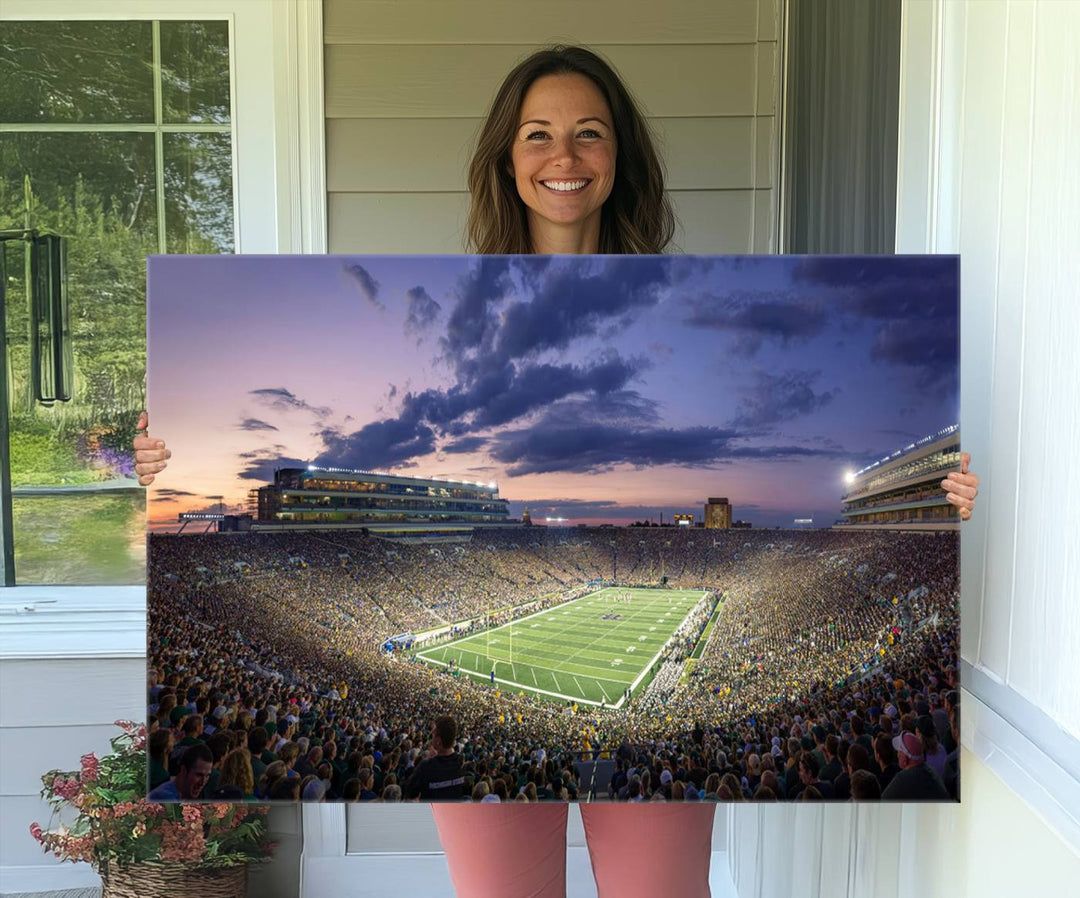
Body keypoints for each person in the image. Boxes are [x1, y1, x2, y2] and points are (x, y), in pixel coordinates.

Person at [135, 43, 979, 898]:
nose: (563, 157)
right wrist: (154, 463)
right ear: (507, 158)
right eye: (537, 134)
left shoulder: (677, 300)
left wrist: (947, 504)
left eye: (589, 134)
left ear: (621, 158)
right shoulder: (449, 300)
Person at [147, 743, 213, 801]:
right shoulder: (165, 797)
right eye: (199, 775)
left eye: (207, 776)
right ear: (184, 770)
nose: (203, 782)